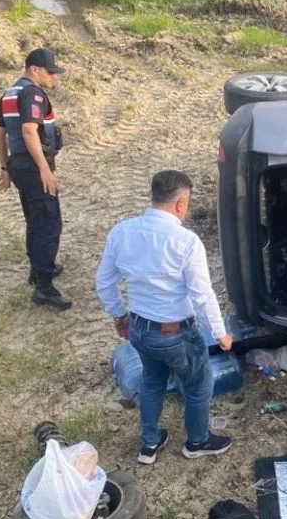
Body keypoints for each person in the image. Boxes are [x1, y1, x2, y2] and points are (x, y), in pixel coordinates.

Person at [95, 169, 233, 464]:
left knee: (152, 381)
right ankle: (197, 441)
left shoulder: (122, 232)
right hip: (176, 334)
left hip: (139, 329)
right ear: (181, 203)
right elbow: (202, 294)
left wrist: (120, 316)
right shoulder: (186, 242)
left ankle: (149, 443)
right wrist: (220, 332)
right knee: (198, 385)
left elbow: (104, 283)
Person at [0, 47, 71, 311]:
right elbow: (29, 131)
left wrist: (5, 167)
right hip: (33, 167)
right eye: (50, 72)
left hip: (18, 166)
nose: (54, 77)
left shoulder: (10, 93)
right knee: (48, 224)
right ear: (35, 70)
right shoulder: (33, 93)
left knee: (35, 220)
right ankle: (44, 288)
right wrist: (44, 169)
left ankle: (37, 271)